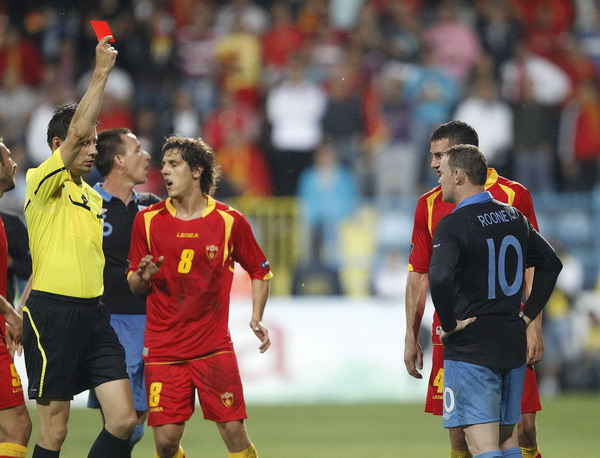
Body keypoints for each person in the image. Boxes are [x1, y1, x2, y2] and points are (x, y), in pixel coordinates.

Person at [21, 37, 137, 458]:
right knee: (54, 432)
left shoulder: (91, 196)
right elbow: (74, 132)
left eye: (95, 144)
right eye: (85, 143)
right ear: (59, 146)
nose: (93, 151)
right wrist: (101, 72)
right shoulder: (41, 181)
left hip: (95, 314)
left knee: (123, 419)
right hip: (54, 313)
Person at [404, 121, 544, 458]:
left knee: (522, 429)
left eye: (440, 156)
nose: (433, 164)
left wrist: (533, 324)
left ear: (461, 159)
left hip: (508, 326)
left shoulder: (513, 195)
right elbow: (419, 274)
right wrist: (410, 333)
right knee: (460, 436)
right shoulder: (428, 204)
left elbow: (534, 263)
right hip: (456, 332)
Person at [127, 135, 272, 458]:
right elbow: (134, 282)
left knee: (234, 433)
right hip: (164, 348)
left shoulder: (228, 221)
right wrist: (142, 277)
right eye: (163, 164)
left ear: (197, 171)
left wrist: (256, 317)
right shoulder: (147, 221)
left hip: (212, 347)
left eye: (174, 164)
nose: (164, 171)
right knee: (165, 442)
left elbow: (261, 269)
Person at [429, 144, 562, 457]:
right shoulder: (512, 215)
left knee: (481, 444)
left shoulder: (452, 224)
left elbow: (437, 277)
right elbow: (551, 264)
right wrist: (528, 316)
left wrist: (449, 325)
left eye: (444, 173)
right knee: (507, 442)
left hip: (472, 347)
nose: (440, 181)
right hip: (511, 343)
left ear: (459, 176)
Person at [86, 128, 160, 455]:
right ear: (118, 161)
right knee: (120, 424)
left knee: (136, 428)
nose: (146, 156)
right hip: (108, 324)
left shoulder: (152, 207)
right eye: (137, 150)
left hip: (153, 325)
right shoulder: (86, 203)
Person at [0, 139, 31, 458]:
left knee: (16, 427)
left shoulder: (6, 220)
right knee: (18, 426)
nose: (15, 165)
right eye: (8, 159)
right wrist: (11, 312)